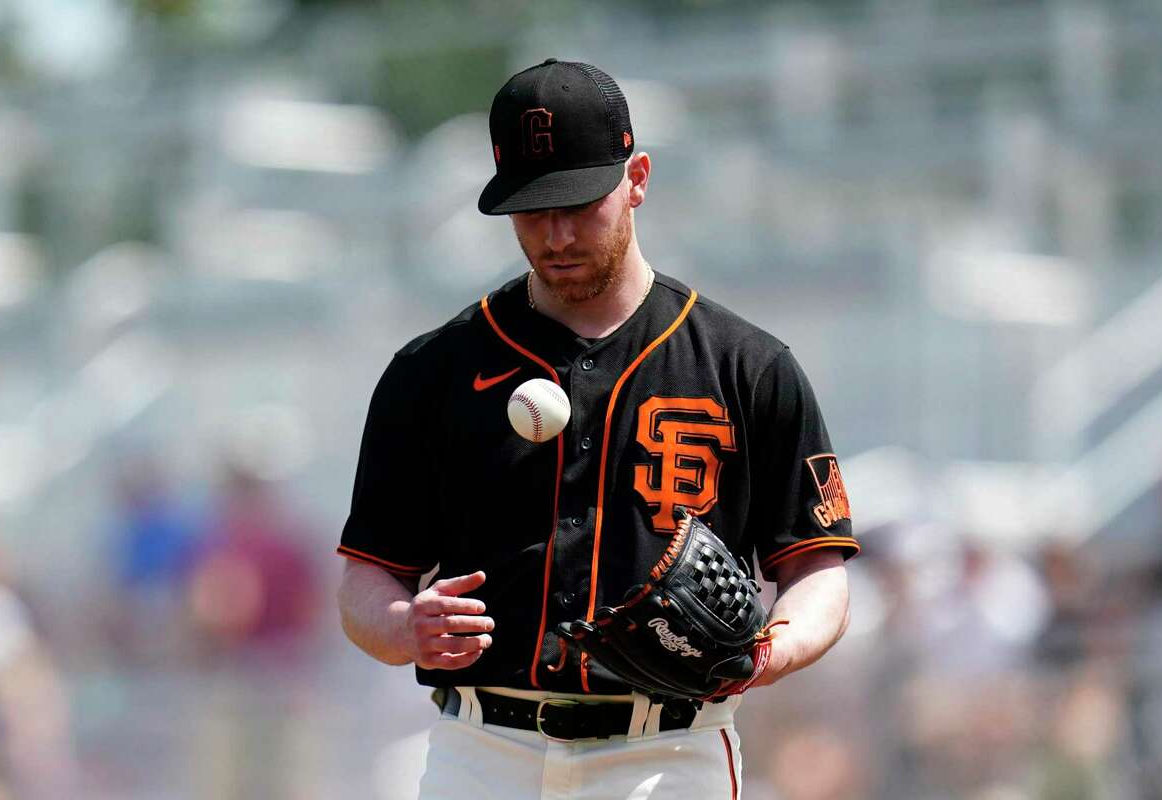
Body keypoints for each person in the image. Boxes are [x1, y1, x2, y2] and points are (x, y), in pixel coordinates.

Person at [336, 58, 857, 799]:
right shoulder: (434, 371)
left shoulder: (748, 367)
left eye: (580, 203)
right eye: (532, 208)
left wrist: (775, 647)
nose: (556, 234)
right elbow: (366, 575)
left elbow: (816, 569)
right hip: (482, 752)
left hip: (667, 756)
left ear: (637, 178)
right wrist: (400, 623)